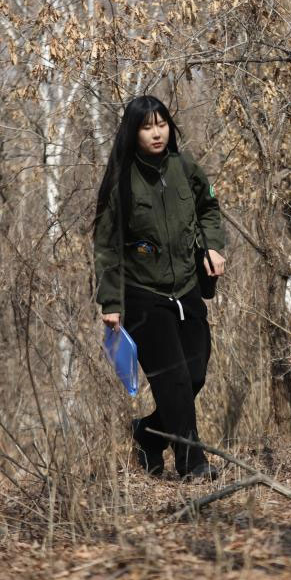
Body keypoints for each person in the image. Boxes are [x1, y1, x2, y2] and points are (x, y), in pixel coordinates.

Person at [92, 95, 226, 480]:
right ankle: (192, 463)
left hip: (186, 289)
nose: (156, 133)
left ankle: (148, 435)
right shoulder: (122, 182)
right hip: (142, 297)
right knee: (174, 380)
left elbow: (209, 208)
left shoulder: (184, 167)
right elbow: (106, 246)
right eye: (147, 126)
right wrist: (111, 301)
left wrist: (213, 246)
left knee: (195, 374)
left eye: (162, 124)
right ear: (133, 133)